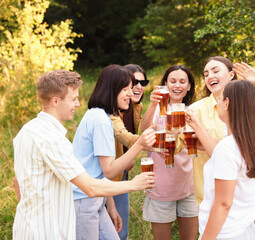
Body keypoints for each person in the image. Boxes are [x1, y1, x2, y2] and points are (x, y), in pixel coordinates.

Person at [12, 70, 155, 240]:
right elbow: (90, 187)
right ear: (55, 101)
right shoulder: (52, 139)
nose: (78, 104)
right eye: (73, 99)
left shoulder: (27, 130)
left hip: (27, 227)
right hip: (46, 232)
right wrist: (134, 184)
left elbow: (17, 182)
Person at [72, 65, 156, 240]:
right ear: (111, 90)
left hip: (95, 196)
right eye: (125, 89)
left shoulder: (99, 115)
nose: (130, 93)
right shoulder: (101, 120)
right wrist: (139, 145)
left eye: (130, 88)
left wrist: (110, 205)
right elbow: (109, 170)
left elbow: (101, 172)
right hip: (83, 200)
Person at [188, 56, 255, 205]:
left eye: (215, 71)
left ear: (231, 75)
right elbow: (181, 142)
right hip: (213, 192)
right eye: (206, 74)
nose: (210, 76)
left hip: (249, 190)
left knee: (247, 227)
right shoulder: (195, 110)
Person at [188, 80, 255, 239]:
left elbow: (223, 204)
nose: (217, 103)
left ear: (226, 103)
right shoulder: (253, 142)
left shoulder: (227, 147)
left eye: (219, 99)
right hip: (245, 230)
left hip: (224, 233)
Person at [140, 65, 198, 240]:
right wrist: (153, 103)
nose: (177, 85)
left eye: (182, 81)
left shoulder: (193, 111)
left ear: (189, 86)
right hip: (161, 188)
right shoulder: (159, 110)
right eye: (172, 81)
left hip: (190, 187)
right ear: (166, 84)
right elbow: (143, 131)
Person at [110, 64, 150, 240]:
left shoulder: (137, 107)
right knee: (108, 228)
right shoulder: (110, 111)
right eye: (134, 82)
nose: (139, 86)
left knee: (121, 229)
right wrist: (150, 144)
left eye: (143, 82)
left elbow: (132, 136)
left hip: (121, 172)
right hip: (104, 173)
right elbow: (124, 136)